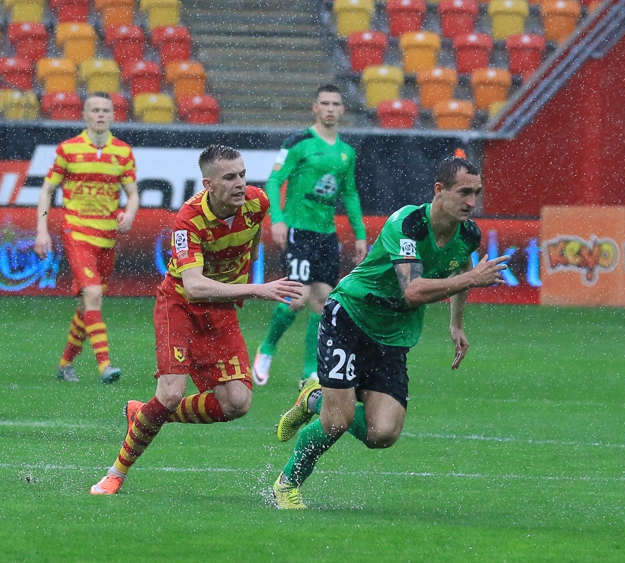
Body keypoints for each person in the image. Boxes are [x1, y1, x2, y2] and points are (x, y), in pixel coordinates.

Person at [269, 156, 509, 509]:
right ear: (439, 190)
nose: (472, 202)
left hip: (393, 336)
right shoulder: (408, 224)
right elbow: (413, 291)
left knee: (382, 434)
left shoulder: (468, 234)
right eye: (464, 192)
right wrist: (472, 278)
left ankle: (314, 398)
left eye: (477, 192)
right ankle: (287, 483)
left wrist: (456, 323)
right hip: (350, 318)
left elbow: (462, 267)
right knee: (337, 421)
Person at [90, 145, 305, 495]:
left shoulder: (258, 202)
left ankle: (145, 414)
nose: (240, 183)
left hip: (220, 308)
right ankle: (116, 473)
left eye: (242, 174)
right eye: (230, 177)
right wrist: (257, 289)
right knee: (171, 393)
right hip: (180, 305)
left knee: (237, 402)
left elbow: (251, 244)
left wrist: (243, 276)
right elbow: (193, 285)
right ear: (208, 184)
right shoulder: (189, 220)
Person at [253, 84, 369, 388]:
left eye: (335, 104)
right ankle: (267, 347)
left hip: (326, 235)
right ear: (314, 108)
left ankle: (309, 371)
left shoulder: (346, 152)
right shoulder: (298, 143)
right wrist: (277, 220)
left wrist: (360, 234)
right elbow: (274, 180)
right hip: (298, 230)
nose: (330, 109)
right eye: (324, 103)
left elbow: (350, 193)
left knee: (322, 301)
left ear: (342, 109)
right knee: (297, 298)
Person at [34, 92, 140, 384]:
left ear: (113, 115)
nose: (100, 114)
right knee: (93, 295)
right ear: (85, 115)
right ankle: (105, 365)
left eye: (105, 110)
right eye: (94, 110)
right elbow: (46, 190)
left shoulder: (122, 152)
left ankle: (65, 363)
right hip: (77, 232)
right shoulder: (68, 149)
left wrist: (130, 214)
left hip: (107, 237)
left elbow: (132, 194)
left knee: (87, 303)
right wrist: (42, 230)